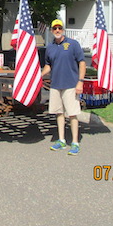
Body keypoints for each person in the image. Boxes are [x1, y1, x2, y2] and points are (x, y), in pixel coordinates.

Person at [41, 19, 87, 155]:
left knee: (72, 114)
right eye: (54, 28)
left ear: (63, 30)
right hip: (55, 85)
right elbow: (48, 65)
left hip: (71, 85)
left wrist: (80, 81)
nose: (57, 30)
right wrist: (40, 75)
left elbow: (82, 63)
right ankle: (61, 140)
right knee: (59, 113)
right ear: (51, 30)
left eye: (59, 28)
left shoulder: (73, 44)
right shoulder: (50, 47)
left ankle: (74, 142)